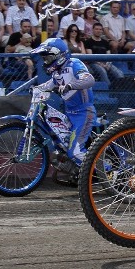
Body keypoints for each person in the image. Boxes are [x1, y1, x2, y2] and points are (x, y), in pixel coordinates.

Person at [31, 38, 96, 182]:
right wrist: (37, 89)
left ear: (58, 56)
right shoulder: (57, 73)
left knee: (75, 152)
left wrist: (71, 85)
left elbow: (89, 79)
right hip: (70, 114)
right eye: (44, 58)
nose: (45, 61)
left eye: (48, 57)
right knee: (63, 147)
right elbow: (50, 84)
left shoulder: (74, 64)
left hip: (84, 113)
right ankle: (77, 170)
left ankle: (104, 173)